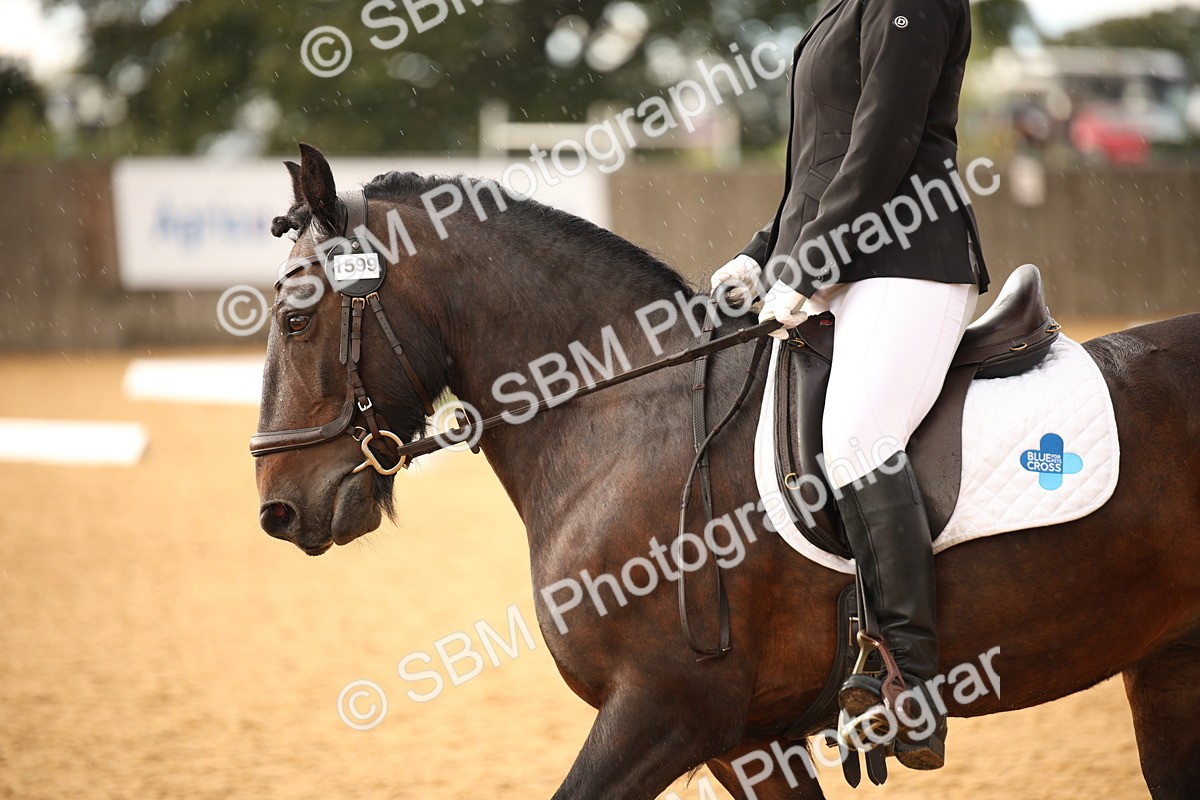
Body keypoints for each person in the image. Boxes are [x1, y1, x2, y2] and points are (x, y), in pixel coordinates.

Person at [711, 0, 990, 771]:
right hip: (846, 264)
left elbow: (884, 139)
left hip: (908, 257)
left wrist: (808, 266)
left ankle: (911, 682)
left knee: (859, 437)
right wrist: (763, 251)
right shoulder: (841, 9)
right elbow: (821, 158)